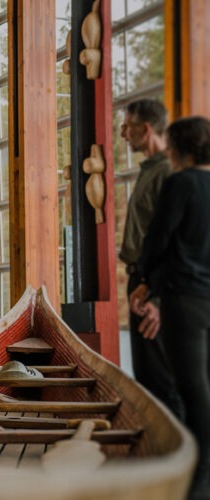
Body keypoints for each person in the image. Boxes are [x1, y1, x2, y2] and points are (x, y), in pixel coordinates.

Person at [130, 116, 210, 500]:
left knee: (190, 388)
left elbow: (160, 239)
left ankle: (196, 480)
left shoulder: (181, 183)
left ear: (177, 147)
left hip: (185, 300)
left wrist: (146, 282)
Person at [119, 99, 184, 418]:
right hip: (142, 282)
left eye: (127, 126)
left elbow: (176, 240)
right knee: (146, 376)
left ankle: (180, 459)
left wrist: (157, 298)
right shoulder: (150, 172)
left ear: (145, 129)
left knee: (161, 379)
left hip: (155, 287)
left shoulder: (167, 173)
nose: (122, 134)